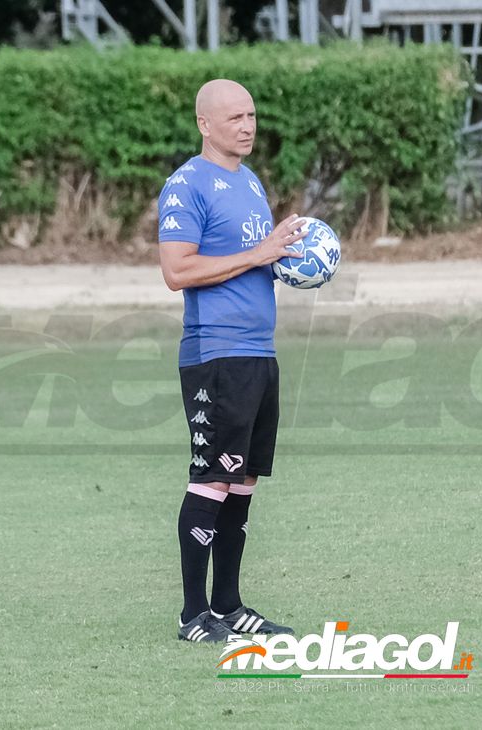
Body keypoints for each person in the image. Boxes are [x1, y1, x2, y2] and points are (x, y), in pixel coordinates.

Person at [157, 79, 307, 643]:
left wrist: (290, 258)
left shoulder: (250, 183)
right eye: (234, 117)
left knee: (242, 481)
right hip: (215, 352)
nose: (247, 125)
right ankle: (194, 616)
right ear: (205, 124)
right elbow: (178, 272)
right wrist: (260, 253)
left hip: (258, 353)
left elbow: (249, 263)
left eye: (251, 115)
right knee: (211, 481)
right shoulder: (186, 185)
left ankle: (230, 605)